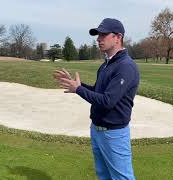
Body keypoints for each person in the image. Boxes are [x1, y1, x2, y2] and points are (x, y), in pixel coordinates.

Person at [54, 18, 139, 180]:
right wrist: (78, 85)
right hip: (97, 130)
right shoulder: (106, 65)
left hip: (114, 134)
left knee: (122, 177)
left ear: (118, 37)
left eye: (103, 34)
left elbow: (108, 101)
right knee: (103, 175)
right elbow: (97, 92)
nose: (98, 39)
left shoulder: (125, 66)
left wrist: (78, 89)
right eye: (98, 35)